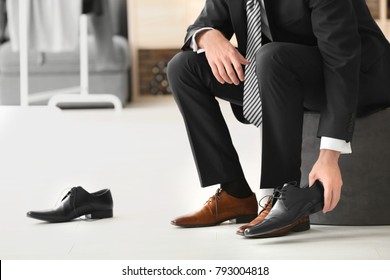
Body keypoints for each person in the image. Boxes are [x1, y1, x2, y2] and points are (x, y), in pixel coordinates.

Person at [167, 0, 390, 237]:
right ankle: (235, 193)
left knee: (272, 57)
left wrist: (329, 155)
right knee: (184, 67)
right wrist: (207, 36)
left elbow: (341, 61)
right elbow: (200, 26)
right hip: (281, 74)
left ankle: (286, 197)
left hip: (361, 75)